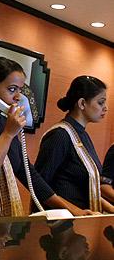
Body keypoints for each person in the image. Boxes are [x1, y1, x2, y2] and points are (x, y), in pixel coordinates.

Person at [0, 57, 89, 218]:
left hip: (2, 225)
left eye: (20, 90)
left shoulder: (3, 122)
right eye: (12, 89)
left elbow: (27, 173)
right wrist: (8, 134)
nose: (18, 97)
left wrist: (72, 210)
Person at [35, 76, 114, 213]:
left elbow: (88, 191)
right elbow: (40, 186)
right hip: (61, 224)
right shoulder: (60, 135)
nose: (105, 108)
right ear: (82, 103)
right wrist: (77, 212)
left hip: (81, 220)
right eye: (101, 103)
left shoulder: (83, 136)